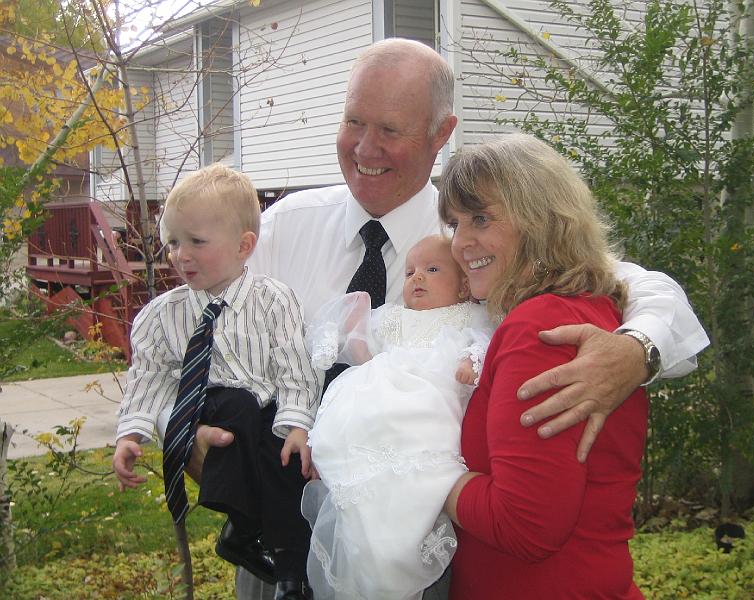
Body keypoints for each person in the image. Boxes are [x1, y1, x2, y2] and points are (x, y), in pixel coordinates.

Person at [171, 39, 708, 600]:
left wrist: (636, 348)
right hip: (277, 537)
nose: (365, 146)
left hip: (422, 557)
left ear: (441, 133)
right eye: (354, 120)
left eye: (390, 129)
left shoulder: (475, 233)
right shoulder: (282, 229)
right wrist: (179, 430)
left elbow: (632, 284)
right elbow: (179, 343)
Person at [441, 134, 649, 598]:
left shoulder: (540, 325)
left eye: (480, 218)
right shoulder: (591, 307)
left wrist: (426, 476)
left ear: (541, 218)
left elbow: (525, 526)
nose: (461, 243)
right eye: (455, 224)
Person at [112, 164, 320, 600]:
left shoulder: (273, 300)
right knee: (239, 408)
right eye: (172, 242)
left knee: (284, 459)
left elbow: (293, 366)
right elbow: (148, 377)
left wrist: (297, 425)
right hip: (209, 405)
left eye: (196, 242)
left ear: (244, 245)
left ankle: (286, 567)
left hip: (263, 411)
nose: (180, 255)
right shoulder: (162, 315)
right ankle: (243, 525)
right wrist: (132, 432)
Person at [303, 235, 493, 600]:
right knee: (363, 470)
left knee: (414, 481)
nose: (417, 278)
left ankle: (395, 554)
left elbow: (487, 338)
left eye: (432, 270)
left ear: (464, 284)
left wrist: (473, 359)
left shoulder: (469, 314)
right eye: (409, 271)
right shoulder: (393, 317)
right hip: (378, 403)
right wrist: (348, 330)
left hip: (429, 405)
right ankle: (370, 550)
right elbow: (361, 345)